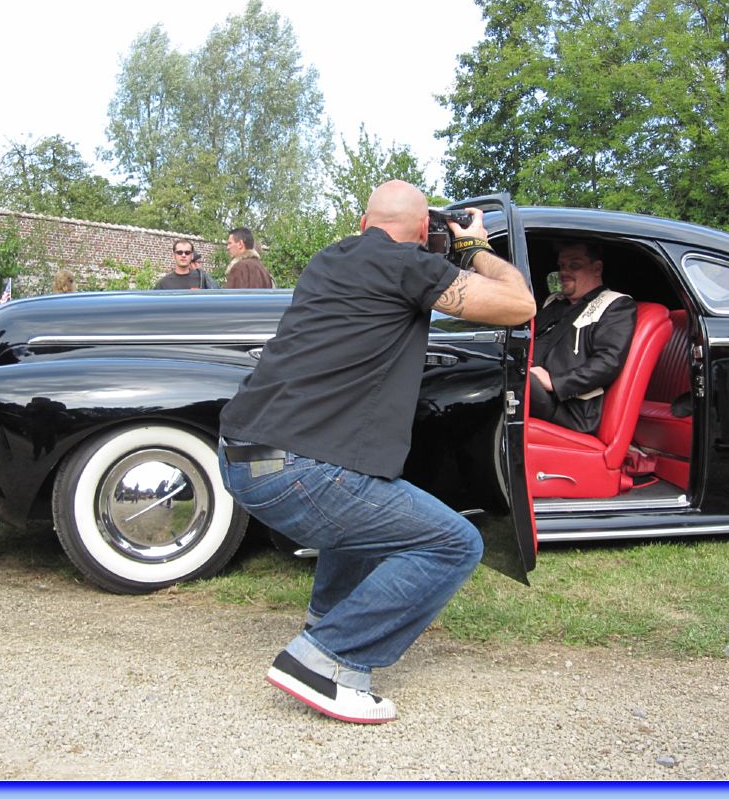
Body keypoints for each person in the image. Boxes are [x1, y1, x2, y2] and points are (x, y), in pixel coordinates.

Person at [218, 180, 535, 724]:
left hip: (245, 454)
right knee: (454, 545)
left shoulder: (331, 259)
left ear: (364, 224)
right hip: (297, 468)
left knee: (368, 487)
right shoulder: (408, 265)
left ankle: (329, 623)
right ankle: (326, 662)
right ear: (419, 233)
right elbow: (519, 304)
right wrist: (472, 248)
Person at [528, 241, 636, 433]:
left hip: (572, 408)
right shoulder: (554, 303)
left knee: (510, 380)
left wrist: (555, 381)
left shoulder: (615, 305)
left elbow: (607, 362)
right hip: (537, 389)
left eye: (574, 265)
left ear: (597, 268)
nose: (564, 272)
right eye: (561, 266)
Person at [155, 240, 219, 290]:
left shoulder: (202, 279)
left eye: (187, 253)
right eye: (179, 252)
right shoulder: (163, 283)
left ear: (192, 256)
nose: (183, 255)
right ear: (174, 256)